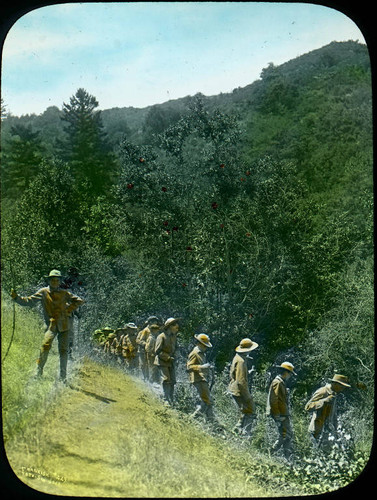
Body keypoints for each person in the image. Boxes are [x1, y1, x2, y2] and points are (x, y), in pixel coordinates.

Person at [10, 269, 84, 382]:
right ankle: (38, 373)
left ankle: (63, 378)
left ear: (59, 282)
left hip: (65, 326)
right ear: (49, 281)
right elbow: (28, 301)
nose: (54, 282)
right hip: (51, 325)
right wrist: (16, 297)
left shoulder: (64, 293)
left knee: (63, 350)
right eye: (52, 280)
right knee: (45, 346)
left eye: (57, 280)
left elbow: (79, 301)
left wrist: (68, 310)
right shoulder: (43, 292)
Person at [305, 374, 351, 451]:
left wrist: (335, 429)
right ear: (335, 384)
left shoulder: (334, 394)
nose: (342, 389)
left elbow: (333, 414)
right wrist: (324, 401)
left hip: (326, 432)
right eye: (341, 387)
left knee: (325, 454)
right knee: (314, 453)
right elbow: (308, 407)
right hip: (316, 430)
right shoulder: (322, 391)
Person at [266, 361, 296, 461]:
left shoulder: (281, 383)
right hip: (280, 414)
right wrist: (277, 415)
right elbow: (274, 400)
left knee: (287, 435)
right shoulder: (277, 382)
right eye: (290, 374)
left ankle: (288, 458)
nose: (290, 376)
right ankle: (271, 452)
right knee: (285, 435)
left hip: (283, 414)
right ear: (285, 372)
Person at [228, 338, 259, 436]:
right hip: (239, 391)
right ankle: (246, 435)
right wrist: (248, 397)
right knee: (251, 411)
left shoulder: (238, 357)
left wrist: (248, 373)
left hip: (235, 389)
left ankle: (237, 431)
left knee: (244, 411)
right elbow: (241, 382)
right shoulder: (241, 361)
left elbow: (237, 375)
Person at [187, 333, 215, 421]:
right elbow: (189, 367)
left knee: (208, 401)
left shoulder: (202, 354)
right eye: (204, 345)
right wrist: (202, 367)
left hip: (203, 379)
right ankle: (193, 419)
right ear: (199, 343)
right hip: (198, 379)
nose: (205, 348)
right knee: (207, 401)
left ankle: (211, 421)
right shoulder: (194, 353)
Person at [154, 317, 180, 405]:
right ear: (169, 327)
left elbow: (176, 348)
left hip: (171, 362)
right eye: (175, 326)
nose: (177, 328)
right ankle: (165, 399)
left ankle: (171, 398)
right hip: (162, 361)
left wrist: (176, 355)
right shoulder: (161, 337)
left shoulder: (174, 337)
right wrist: (168, 357)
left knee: (172, 380)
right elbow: (157, 351)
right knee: (166, 379)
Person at [136, 316, 161, 381]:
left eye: (156, 321)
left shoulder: (156, 330)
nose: (155, 322)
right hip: (144, 350)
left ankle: (153, 379)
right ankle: (146, 378)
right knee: (144, 365)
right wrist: (146, 345)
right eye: (153, 321)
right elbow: (140, 340)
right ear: (150, 322)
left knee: (153, 365)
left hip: (153, 350)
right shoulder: (146, 330)